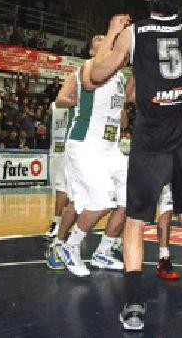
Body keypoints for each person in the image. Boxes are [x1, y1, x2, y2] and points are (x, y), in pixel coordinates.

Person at [87, 0, 182, 330]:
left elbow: (97, 74)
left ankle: (133, 305)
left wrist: (112, 32)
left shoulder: (134, 32)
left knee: (135, 219)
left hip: (152, 134)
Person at [49, 35, 132, 277]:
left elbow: (122, 113)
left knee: (129, 199)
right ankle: (66, 245)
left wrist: (120, 113)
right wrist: (73, 102)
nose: (103, 39)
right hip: (85, 143)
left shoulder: (118, 77)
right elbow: (63, 98)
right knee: (94, 200)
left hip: (110, 146)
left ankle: (103, 251)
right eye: (98, 38)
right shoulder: (88, 67)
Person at [42, 99, 75, 244]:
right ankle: (65, 221)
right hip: (55, 150)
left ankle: (58, 223)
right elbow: (49, 112)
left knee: (64, 189)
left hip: (69, 151)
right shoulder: (55, 104)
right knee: (59, 191)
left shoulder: (78, 103)